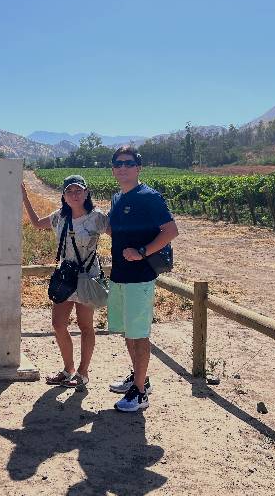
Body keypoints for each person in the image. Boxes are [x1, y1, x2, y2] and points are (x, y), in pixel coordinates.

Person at [107, 145, 179, 412]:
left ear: (138, 167)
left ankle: (139, 394)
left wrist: (142, 251)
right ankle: (140, 379)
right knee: (128, 330)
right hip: (119, 276)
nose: (122, 168)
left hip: (140, 277)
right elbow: (115, 231)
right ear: (113, 169)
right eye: (118, 164)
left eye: (128, 163)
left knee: (139, 334)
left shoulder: (149, 197)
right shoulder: (117, 198)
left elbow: (171, 231)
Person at [22, 175, 109, 388]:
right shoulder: (59, 216)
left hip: (87, 277)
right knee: (58, 324)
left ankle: (83, 372)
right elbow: (36, 223)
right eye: (70, 191)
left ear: (87, 193)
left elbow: (119, 234)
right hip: (66, 277)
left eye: (79, 190)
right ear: (64, 196)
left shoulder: (97, 217)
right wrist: (24, 197)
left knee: (85, 325)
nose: (75, 194)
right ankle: (68, 369)